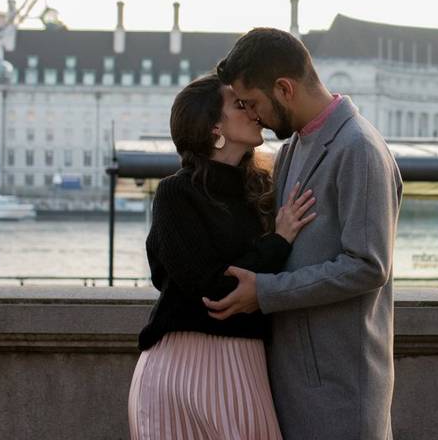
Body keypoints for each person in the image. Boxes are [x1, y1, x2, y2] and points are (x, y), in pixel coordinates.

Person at [208, 28, 403, 440]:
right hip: (295, 386)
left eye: (253, 103)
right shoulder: (294, 149)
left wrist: (266, 291)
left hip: (341, 395)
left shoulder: (359, 149)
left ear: (284, 88)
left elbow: (367, 265)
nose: (252, 114)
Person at [128, 73, 317, 440]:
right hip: (182, 371)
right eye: (239, 104)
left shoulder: (263, 190)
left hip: (249, 364)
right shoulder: (176, 194)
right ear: (214, 125)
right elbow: (212, 289)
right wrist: (278, 241)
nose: (253, 111)